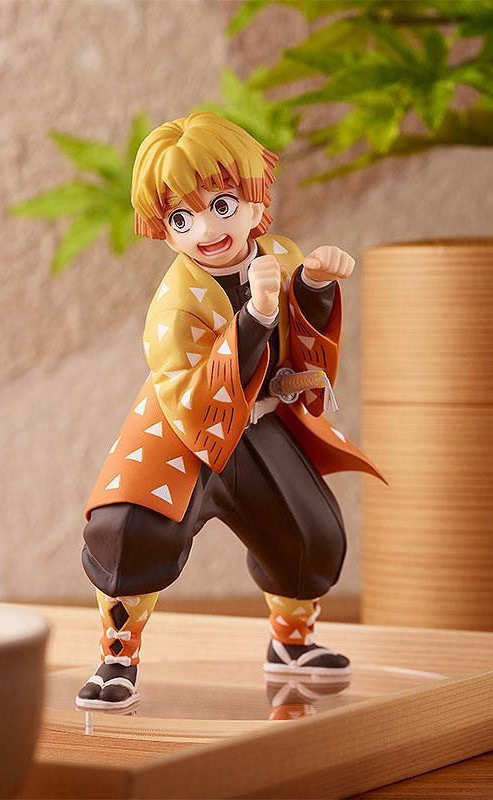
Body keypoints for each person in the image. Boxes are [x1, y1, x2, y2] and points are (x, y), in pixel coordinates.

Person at [76, 112, 385, 709]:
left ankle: (292, 643)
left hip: (259, 424)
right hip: (183, 430)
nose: (206, 229)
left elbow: (300, 349)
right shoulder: (174, 304)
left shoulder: (281, 253)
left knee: (309, 530)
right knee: (133, 528)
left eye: (222, 205)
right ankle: (118, 656)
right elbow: (191, 383)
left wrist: (313, 286)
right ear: (165, 231)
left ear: (255, 199)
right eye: (181, 218)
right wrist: (255, 318)